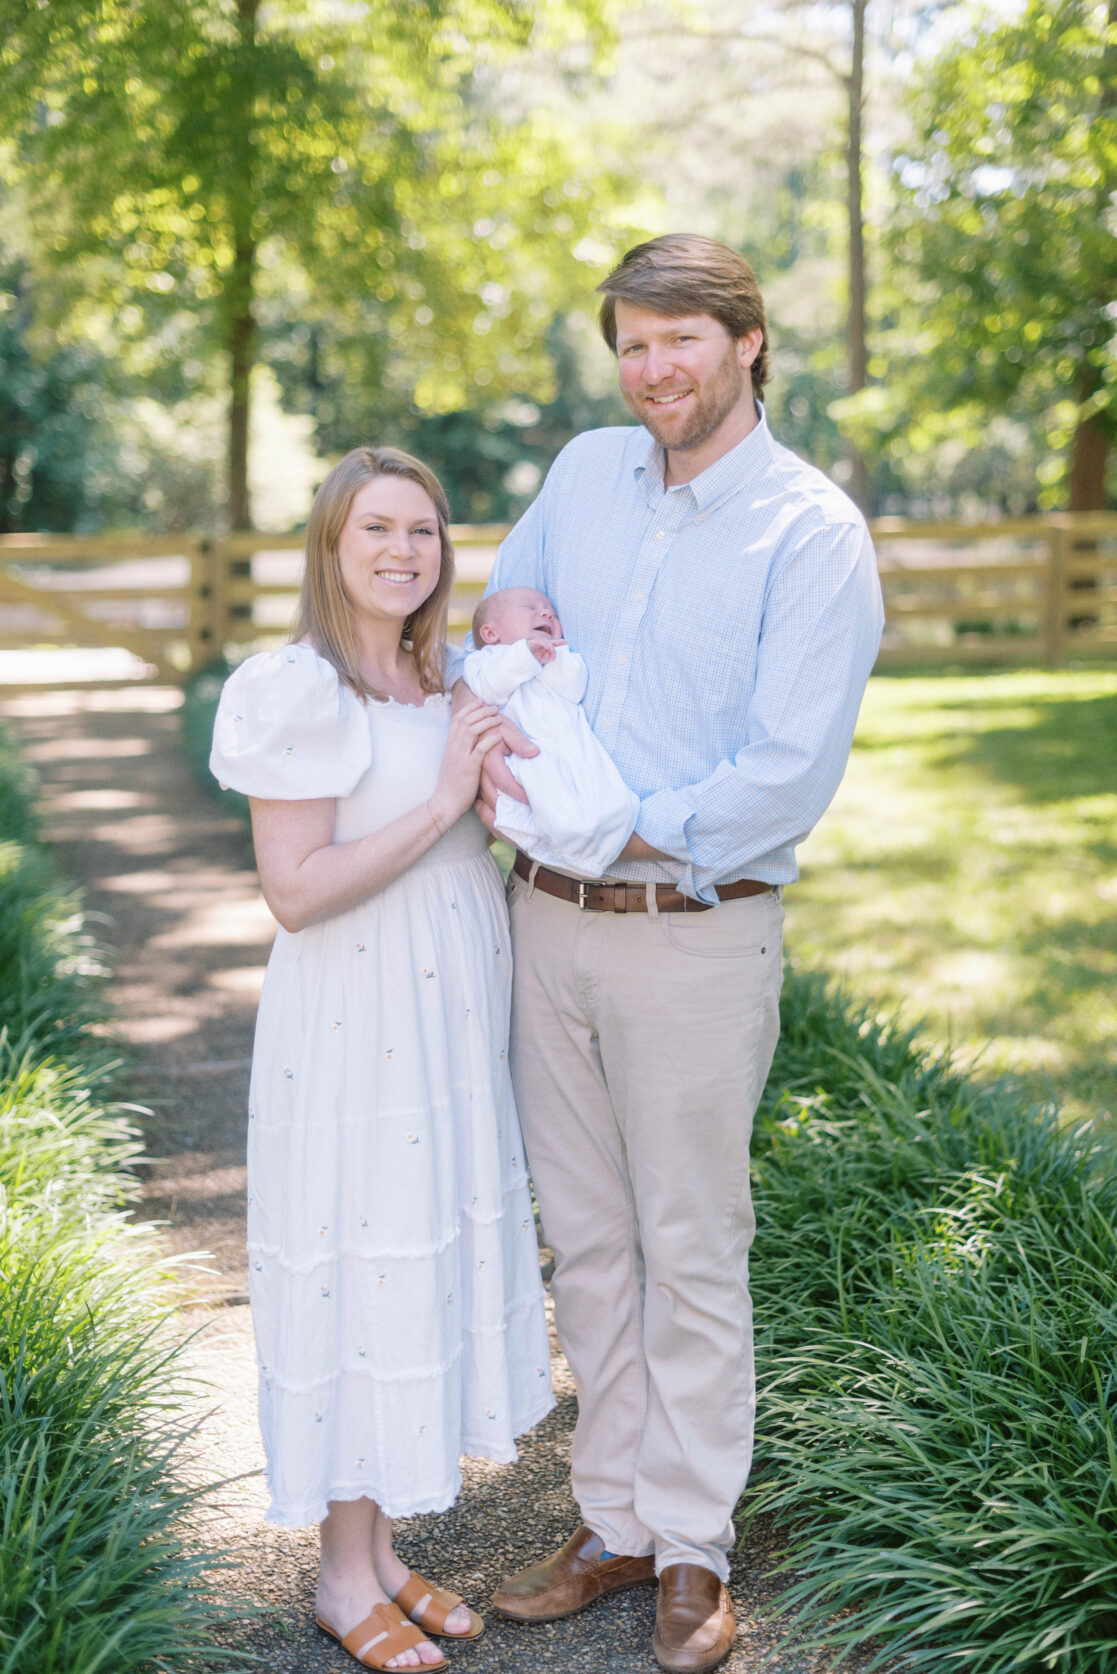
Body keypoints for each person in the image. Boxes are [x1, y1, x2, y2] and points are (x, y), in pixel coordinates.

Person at [472, 235, 885, 1674]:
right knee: (585, 1237)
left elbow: (781, 776)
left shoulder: (808, 528)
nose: (653, 369)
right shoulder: (586, 469)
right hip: (544, 924)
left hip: (694, 935)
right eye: (632, 344)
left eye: (680, 342)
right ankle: (614, 1519)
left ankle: (695, 1545)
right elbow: (503, 613)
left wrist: (598, 824)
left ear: (748, 341)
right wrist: (498, 619)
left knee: (690, 1244)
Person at [209, 446, 554, 1673]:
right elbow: (294, 894)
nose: (404, 551)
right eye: (377, 531)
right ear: (330, 546)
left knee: (419, 1260)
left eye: (424, 531)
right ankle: (339, 1576)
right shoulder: (296, 688)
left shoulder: (442, 675)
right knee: (361, 1260)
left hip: (453, 1004)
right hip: (358, 1014)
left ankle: (383, 1551)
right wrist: (442, 798)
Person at [463, 586, 639, 877]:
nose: (545, 613)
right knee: (548, 799)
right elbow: (488, 685)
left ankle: (603, 835)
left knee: (609, 797)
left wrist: (551, 656)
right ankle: (567, 843)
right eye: (529, 608)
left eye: (550, 612)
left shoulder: (561, 656)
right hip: (527, 753)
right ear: (491, 634)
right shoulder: (484, 662)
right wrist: (526, 654)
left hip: (570, 745)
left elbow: (575, 685)